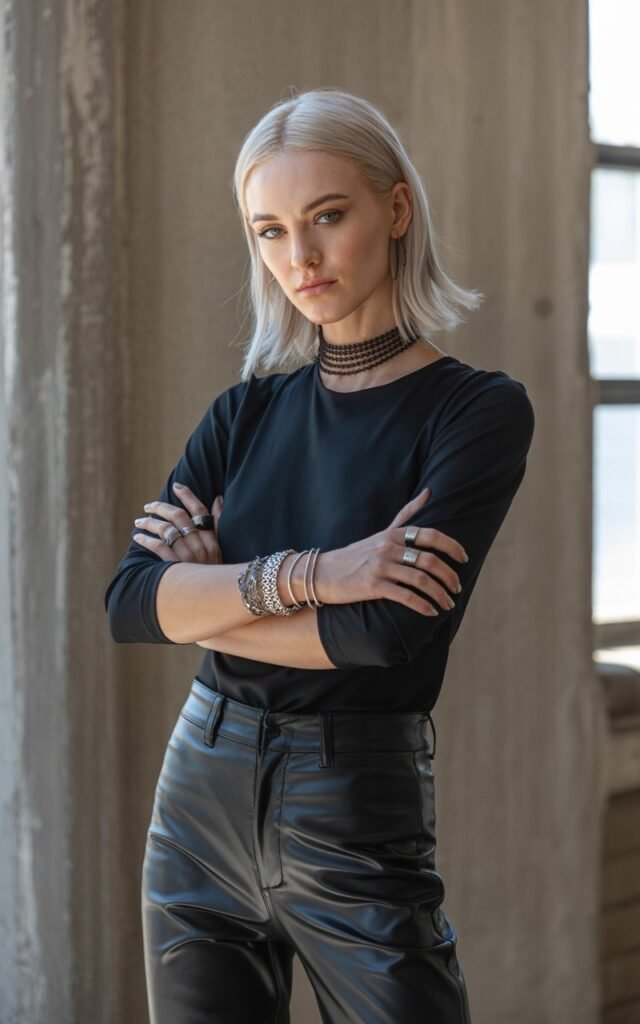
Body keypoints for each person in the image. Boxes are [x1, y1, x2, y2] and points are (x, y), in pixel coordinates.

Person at [104, 86, 535, 1024]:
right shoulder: (245, 412)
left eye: (326, 217)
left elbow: (385, 635)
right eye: (268, 230)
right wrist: (316, 574)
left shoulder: (476, 413)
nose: (297, 257)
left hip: (355, 808)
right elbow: (132, 602)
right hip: (196, 810)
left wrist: (213, 599)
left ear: (396, 207)